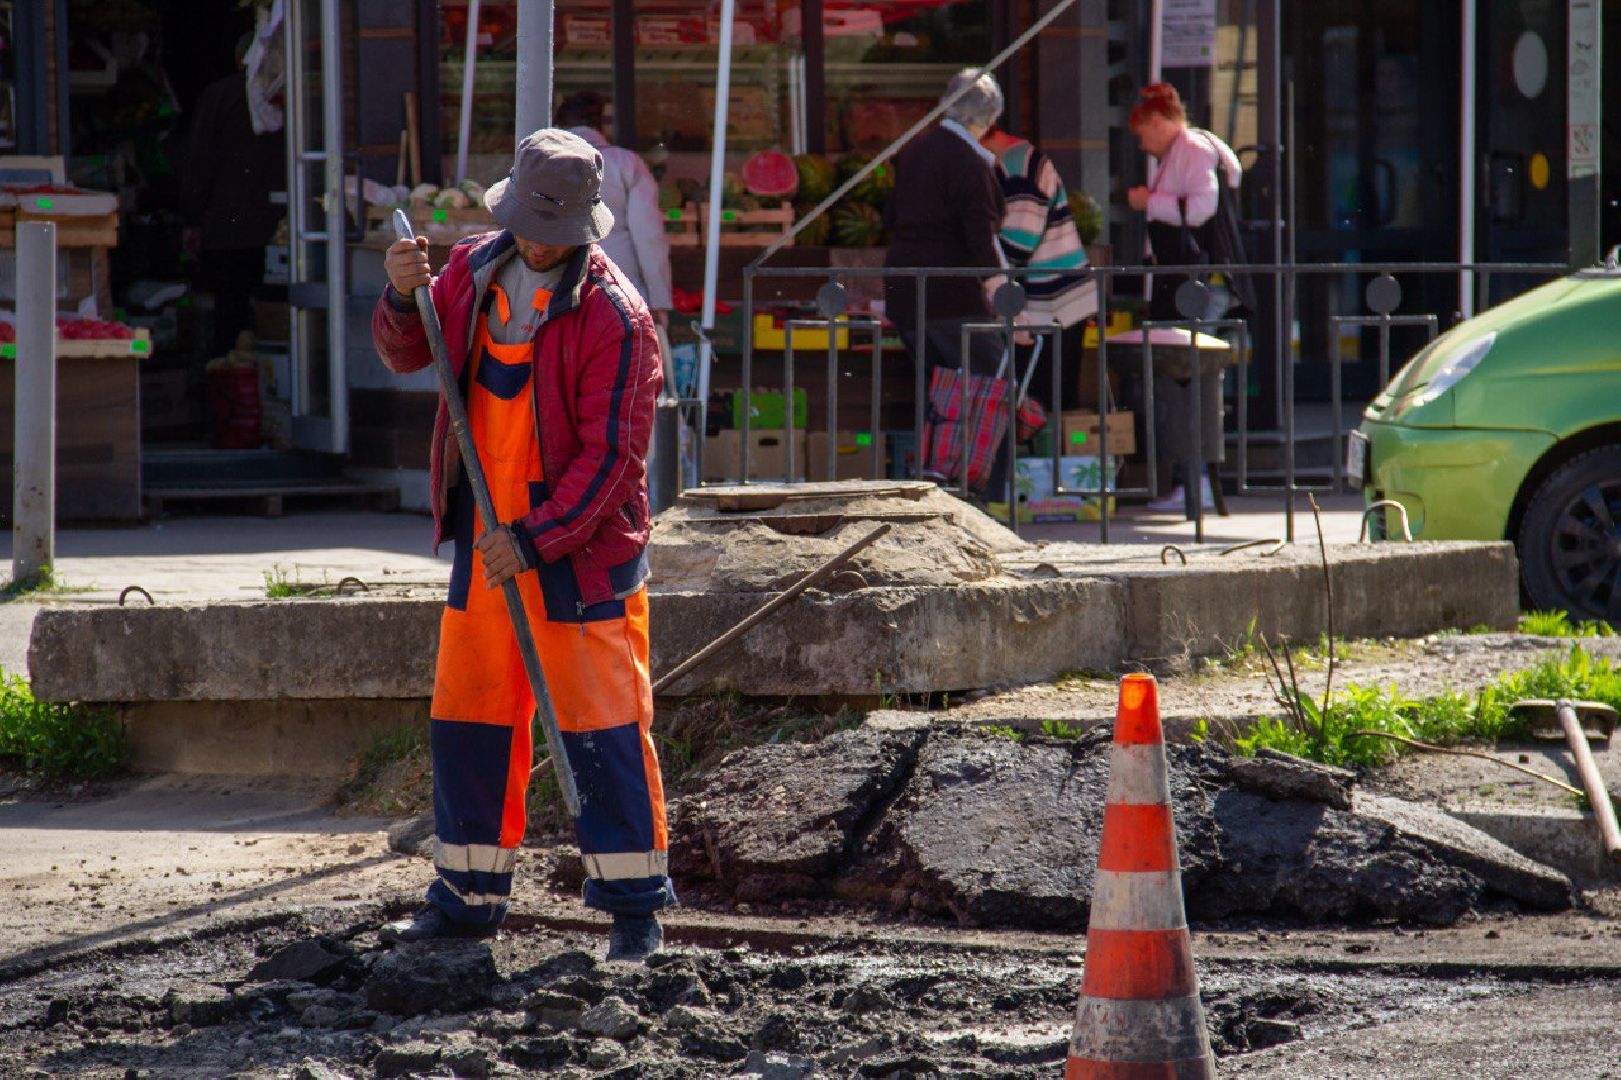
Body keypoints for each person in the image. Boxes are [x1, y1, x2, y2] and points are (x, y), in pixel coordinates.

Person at [372, 128, 672, 962]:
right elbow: (404, 354)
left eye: (557, 230)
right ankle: (466, 896)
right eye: (530, 223)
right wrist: (403, 297)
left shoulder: (617, 317)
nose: (540, 242)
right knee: (469, 719)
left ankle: (633, 908)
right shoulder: (466, 270)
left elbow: (613, 460)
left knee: (602, 726)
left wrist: (534, 539)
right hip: (483, 541)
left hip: (576, 557)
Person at [884, 69, 1013, 496]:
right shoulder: (969, 161)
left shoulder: (914, 150)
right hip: (952, 295)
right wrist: (996, 284)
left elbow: (892, 219)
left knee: (939, 395)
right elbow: (980, 231)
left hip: (906, 289)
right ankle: (983, 491)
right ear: (987, 119)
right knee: (987, 389)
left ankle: (936, 488)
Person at [1125, 82, 1250, 513]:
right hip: (1190, 284)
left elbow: (1200, 209)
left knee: (1187, 381)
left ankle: (1190, 486)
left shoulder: (1193, 150)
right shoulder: (1192, 149)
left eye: (1143, 134)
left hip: (1198, 286)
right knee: (1183, 380)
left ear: (1157, 122)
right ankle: (1188, 485)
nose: (1143, 144)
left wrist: (1149, 202)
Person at [180, 34, 286, 359]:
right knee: (278, 317)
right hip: (275, 225)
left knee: (230, 316)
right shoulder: (282, 97)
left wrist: (192, 217)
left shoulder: (219, 97)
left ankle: (229, 383)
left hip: (229, 228)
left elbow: (200, 161)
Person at [981, 124, 1097, 411]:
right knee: (1048, 397)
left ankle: (1046, 455)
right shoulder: (1019, 162)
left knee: (1043, 399)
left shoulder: (1018, 167)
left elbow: (1020, 242)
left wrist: (980, 250)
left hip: (1055, 304)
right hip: (1056, 300)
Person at [555, 91, 673, 330]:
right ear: (601, 126)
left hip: (555, 287)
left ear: (559, 125)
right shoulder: (627, 163)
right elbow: (649, 237)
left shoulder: (541, 163)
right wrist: (658, 300)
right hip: (619, 286)